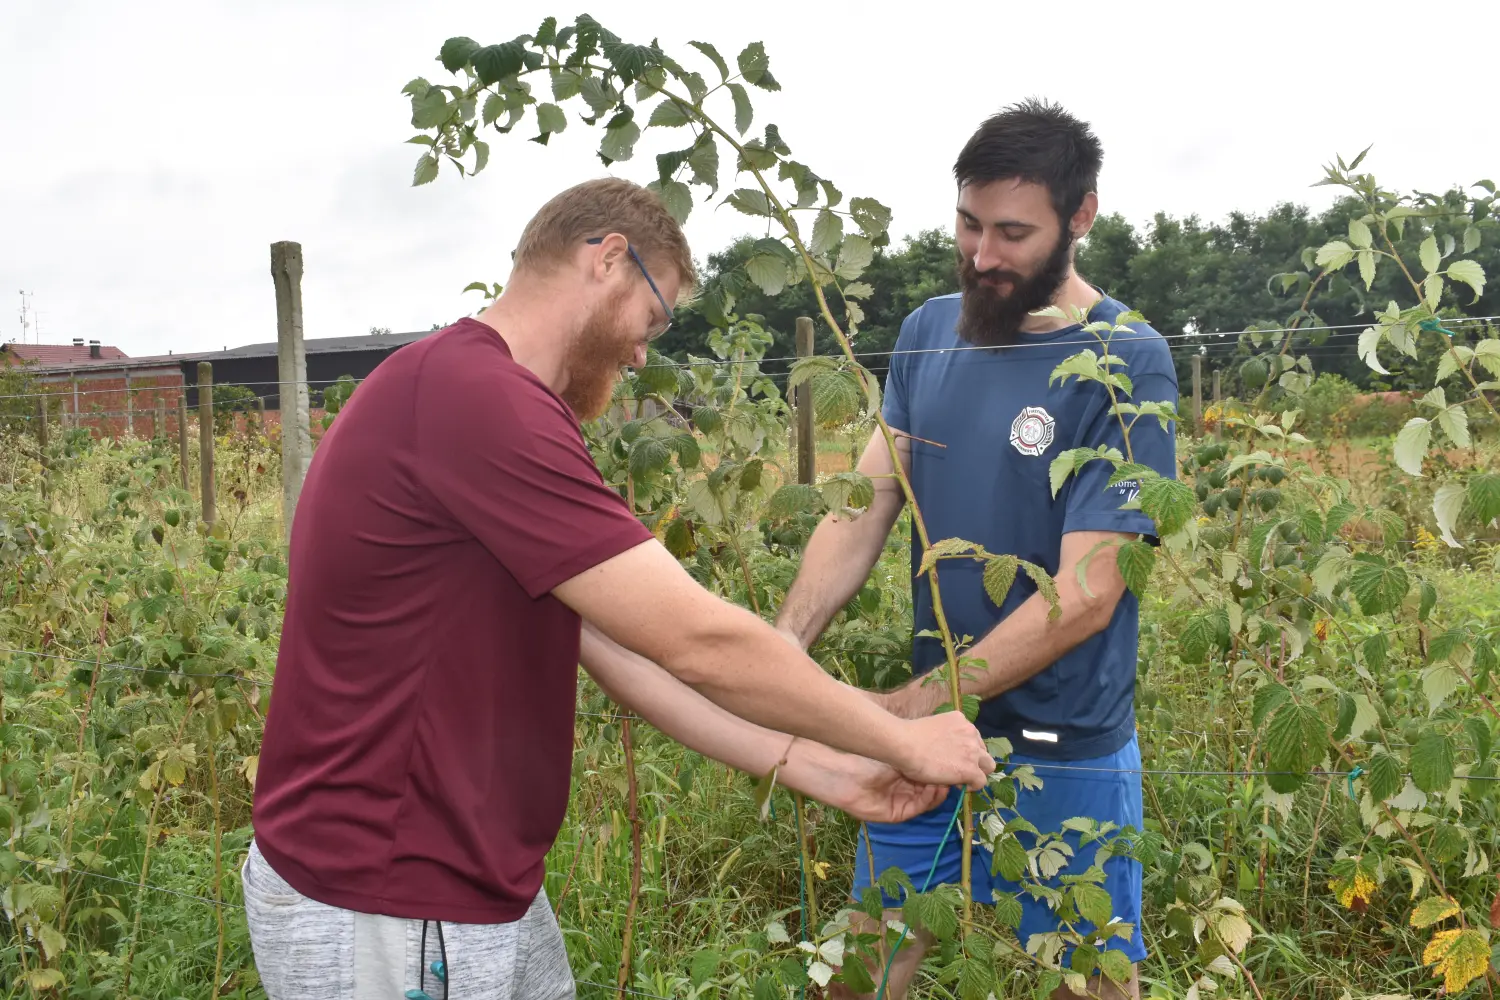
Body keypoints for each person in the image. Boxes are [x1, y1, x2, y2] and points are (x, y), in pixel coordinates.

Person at [242, 177, 996, 1000]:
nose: (644, 353)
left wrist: (827, 770)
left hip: (463, 884)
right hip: (389, 890)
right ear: (608, 259)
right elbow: (696, 640)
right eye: (655, 317)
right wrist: (899, 739)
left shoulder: (489, 398)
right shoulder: (475, 400)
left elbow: (626, 655)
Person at [774, 101, 1179, 1000]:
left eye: (1012, 233)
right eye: (967, 223)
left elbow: (1087, 592)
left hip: (1061, 743)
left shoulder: (1128, 361)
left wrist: (907, 707)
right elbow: (868, 502)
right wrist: (783, 644)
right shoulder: (928, 332)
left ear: (1081, 218)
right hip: (926, 740)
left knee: (1091, 985)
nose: (983, 256)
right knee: (858, 976)